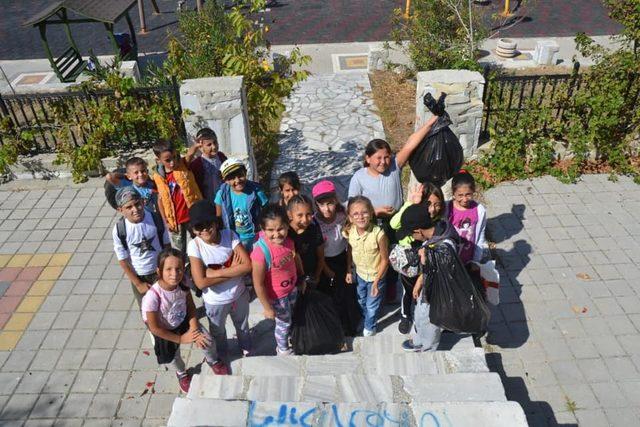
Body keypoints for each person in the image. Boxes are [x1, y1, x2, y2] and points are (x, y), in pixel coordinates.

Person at [347, 115, 439, 302]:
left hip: (397, 222)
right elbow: (352, 205)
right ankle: (374, 288)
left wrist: (430, 123)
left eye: (387, 156)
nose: (383, 161)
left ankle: (392, 289)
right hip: (374, 224)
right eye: (378, 158)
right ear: (368, 158)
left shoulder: (395, 167)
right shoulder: (359, 177)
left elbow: (410, 145)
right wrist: (375, 211)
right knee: (378, 256)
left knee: (397, 254)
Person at [187, 200, 252, 374]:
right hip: (215, 302)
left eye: (208, 223)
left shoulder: (230, 235)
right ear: (193, 230)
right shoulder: (194, 246)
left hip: (239, 295)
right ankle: (223, 352)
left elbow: (247, 265)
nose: (205, 229)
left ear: (216, 222)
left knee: (243, 325)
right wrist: (233, 270)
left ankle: (246, 348)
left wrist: (213, 273)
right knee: (218, 331)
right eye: (198, 227)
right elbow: (200, 282)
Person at [142, 248, 218, 392]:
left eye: (179, 269)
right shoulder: (152, 297)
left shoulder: (183, 282)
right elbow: (154, 328)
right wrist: (181, 339)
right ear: (159, 271)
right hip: (164, 330)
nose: (174, 274)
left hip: (183, 321)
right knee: (172, 358)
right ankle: (181, 373)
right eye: (168, 269)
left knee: (207, 340)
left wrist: (194, 328)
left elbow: (190, 305)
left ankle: (212, 360)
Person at [395, 204, 459, 352]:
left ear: (418, 231)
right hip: (426, 289)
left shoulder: (444, 245)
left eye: (412, 234)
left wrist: (425, 259)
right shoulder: (435, 233)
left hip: (436, 294)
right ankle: (418, 340)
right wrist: (419, 281)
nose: (412, 238)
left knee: (429, 321)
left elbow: (443, 271)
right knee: (419, 315)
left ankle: (428, 349)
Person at [390, 182, 445, 334]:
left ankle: (424, 317)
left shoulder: (437, 223)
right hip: (408, 265)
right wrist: (410, 203)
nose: (433, 209)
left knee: (425, 291)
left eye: (437, 204)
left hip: (426, 265)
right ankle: (405, 315)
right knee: (408, 291)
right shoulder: (412, 215)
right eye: (428, 204)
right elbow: (394, 224)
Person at [251, 204, 304, 355]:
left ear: (287, 226)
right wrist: (267, 308)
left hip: (292, 288)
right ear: (263, 229)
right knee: (283, 322)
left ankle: (290, 339)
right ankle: (283, 349)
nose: (277, 234)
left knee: (291, 316)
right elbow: (258, 283)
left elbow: (295, 259)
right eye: (270, 230)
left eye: (280, 228)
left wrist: (301, 277)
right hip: (277, 297)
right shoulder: (260, 253)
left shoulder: (289, 241)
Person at [313, 180, 360, 336]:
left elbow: (349, 244)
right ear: (316, 205)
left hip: (341, 260)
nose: (327, 208)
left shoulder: (343, 216)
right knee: (329, 297)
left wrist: (348, 268)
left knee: (346, 294)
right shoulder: (314, 222)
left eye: (330, 203)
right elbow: (317, 251)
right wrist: (326, 270)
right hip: (324, 263)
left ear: (336, 200)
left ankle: (349, 326)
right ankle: (332, 328)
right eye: (322, 204)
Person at [113, 187, 171, 307]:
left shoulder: (156, 219)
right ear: (120, 210)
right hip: (140, 275)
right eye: (129, 207)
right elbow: (123, 260)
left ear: (143, 202)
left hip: (160, 271)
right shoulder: (120, 230)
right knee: (148, 310)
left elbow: (166, 246)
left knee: (167, 305)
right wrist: (138, 284)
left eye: (137, 204)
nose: (135, 209)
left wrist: (167, 269)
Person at [343, 196, 389, 337]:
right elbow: (350, 250)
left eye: (364, 212)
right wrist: (349, 270)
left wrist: (376, 282)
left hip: (376, 276)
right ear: (350, 218)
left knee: (371, 304)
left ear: (371, 213)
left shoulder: (379, 234)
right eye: (355, 214)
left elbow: (385, 260)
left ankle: (370, 326)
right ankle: (366, 317)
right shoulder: (349, 231)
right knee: (361, 300)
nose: (360, 217)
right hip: (361, 274)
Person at [151, 140, 202, 255]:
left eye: (174, 157)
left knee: (200, 241)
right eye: (168, 160)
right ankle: (183, 267)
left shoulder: (183, 165)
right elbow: (160, 201)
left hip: (192, 215)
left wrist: (196, 146)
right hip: (175, 221)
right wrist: (166, 221)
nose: (173, 162)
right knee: (179, 249)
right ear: (158, 160)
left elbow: (189, 154)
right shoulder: (157, 177)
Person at [215, 158, 268, 252]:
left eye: (240, 175)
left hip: (256, 237)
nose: (237, 180)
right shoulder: (222, 195)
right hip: (235, 240)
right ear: (225, 180)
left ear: (245, 172)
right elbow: (218, 218)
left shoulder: (256, 191)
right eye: (231, 178)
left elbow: (267, 211)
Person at [445, 170, 488, 265]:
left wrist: (476, 260)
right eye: (460, 195)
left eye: (468, 194)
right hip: (449, 259)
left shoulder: (479, 210)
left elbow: (480, 234)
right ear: (453, 193)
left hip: (468, 260)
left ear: (473, 191)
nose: (464, 199)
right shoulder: (447, 208)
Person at [287, 195, 325, 285]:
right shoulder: (285, 233)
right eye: (300, 215)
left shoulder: (314, 230)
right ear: (289, 214)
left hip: (311, 276)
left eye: (308, 214)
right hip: (292, 280)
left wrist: (317, 276)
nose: (305, 219)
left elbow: (321, 257)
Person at [189, 128, 228, 203]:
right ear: (200, 147)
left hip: (225, 199)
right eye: (209, 145)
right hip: (208, 202)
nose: (214, 147)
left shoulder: (221, 157)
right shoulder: (197, 164)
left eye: (215, 142)